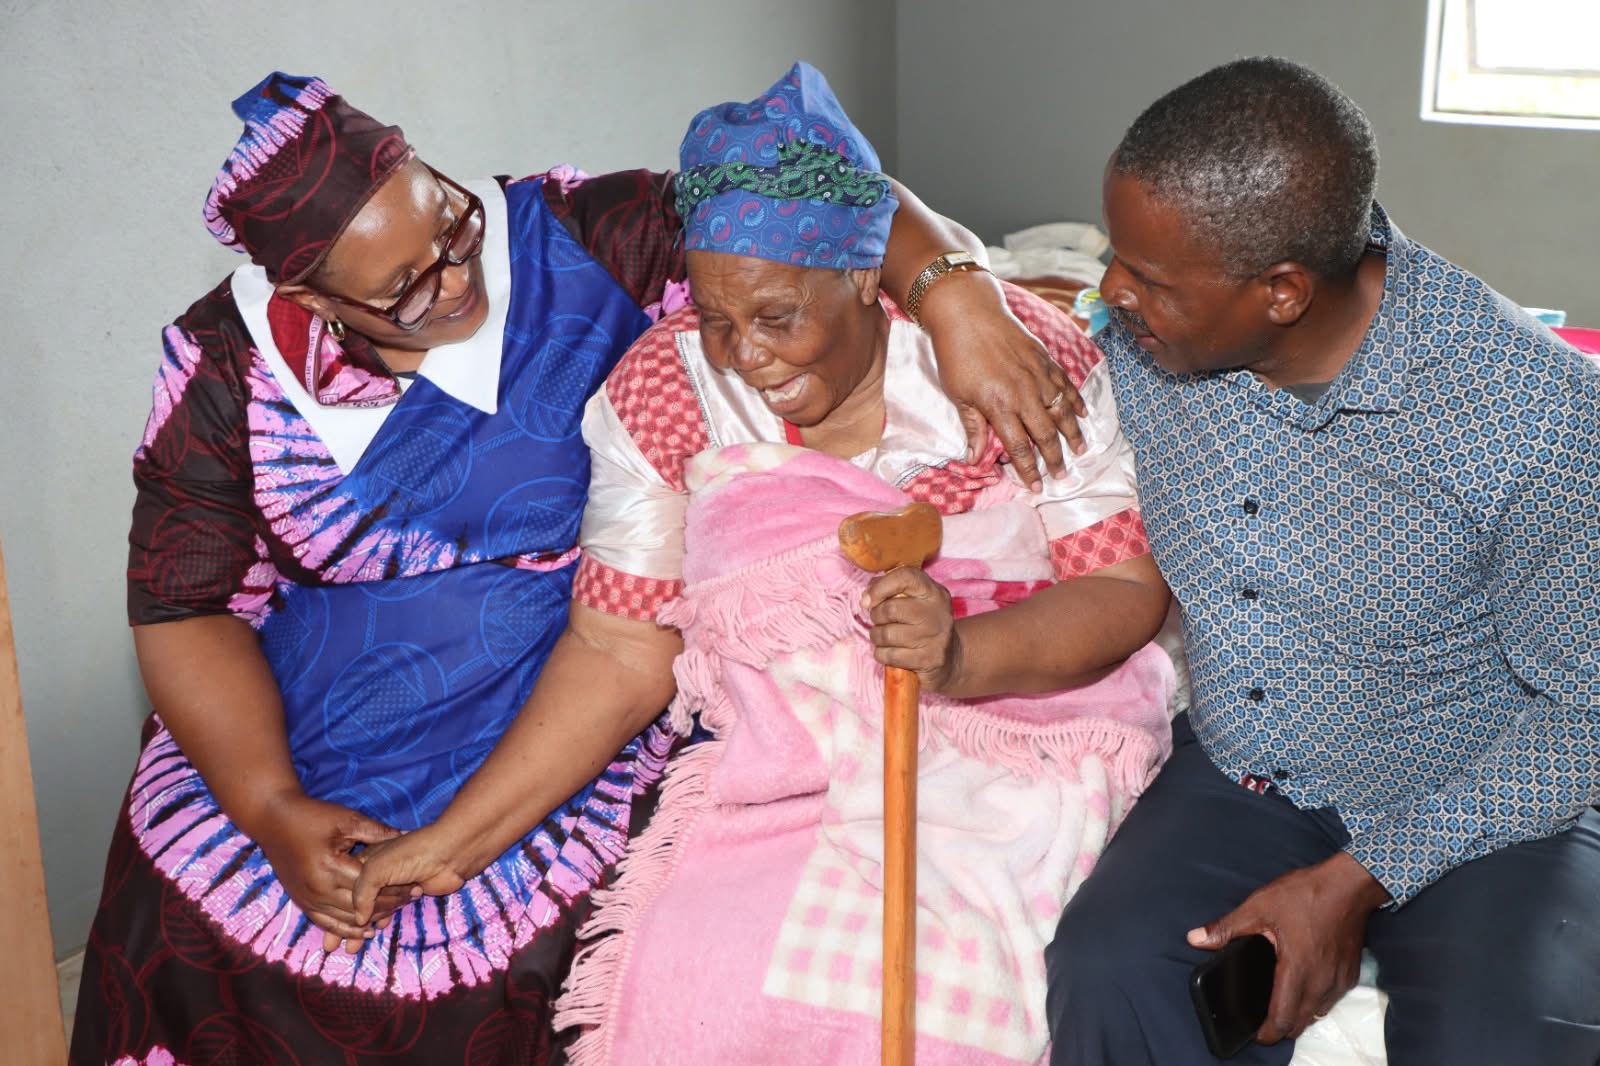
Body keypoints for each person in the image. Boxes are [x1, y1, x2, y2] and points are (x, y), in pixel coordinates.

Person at [73, 71, 1087, 1066]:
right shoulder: (224, 366)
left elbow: (820, 190)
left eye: (450, 225)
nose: (459, 278)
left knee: (575, 952)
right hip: (313, 713)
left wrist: (958, 298)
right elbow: (181, 607)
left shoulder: (583, 237)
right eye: (405, 289)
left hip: (585, 670)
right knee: (189, 918)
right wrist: (269, 805)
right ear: (307, 295)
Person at [353, 62, 1175, 1065]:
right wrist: (456, 839)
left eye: (778, 317)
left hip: (1016, 737)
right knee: (704, 973)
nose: (745, 356)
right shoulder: (664, 389)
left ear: (865, 274)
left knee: (938, 990)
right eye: (717, 317)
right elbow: (619, 648)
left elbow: (1121, 591)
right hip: (789, 764)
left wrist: (962, 653)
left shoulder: (1009, 366)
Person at [1045, 56, 1600, 1065]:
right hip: (1248, 770)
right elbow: (871, 216)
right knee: (1109, 966)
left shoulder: (1531, 415)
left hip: (1478, 793)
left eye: (1149, 279)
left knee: (1503, 1038)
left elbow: (1583, 717)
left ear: (1283, 291)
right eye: (1116, 257)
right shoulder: (1147, 343)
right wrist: (951, 288)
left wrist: (1357, 877)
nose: (1110, 290)